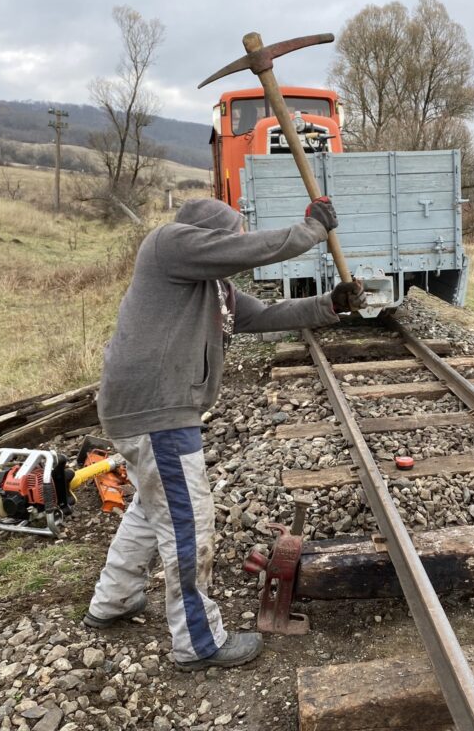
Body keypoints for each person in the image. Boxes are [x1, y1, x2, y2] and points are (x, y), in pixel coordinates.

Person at [83, 196, 365, 670]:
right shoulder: (167, 245)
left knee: (151, 512)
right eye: (232, 233)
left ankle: (113, 600)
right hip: (159, 412)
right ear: (206, 238)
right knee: (189, 524)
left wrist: (331, 303)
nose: (237, 241)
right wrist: (311, 231)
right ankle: (197, 643)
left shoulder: (215, 290)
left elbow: (268, 315)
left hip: (150, 412)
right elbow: (251, 251)